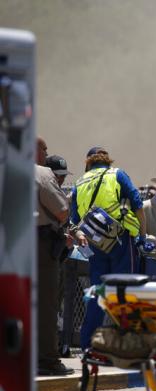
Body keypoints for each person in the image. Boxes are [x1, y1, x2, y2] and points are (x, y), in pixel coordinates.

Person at [70, 146, 147, 349]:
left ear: (89, 162)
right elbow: (138, 204)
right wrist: (142, 236)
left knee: (98, 292)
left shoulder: (79, 183)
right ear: (107, 160)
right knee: (125, 291)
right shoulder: (116, 174)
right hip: (121, 240)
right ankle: (126, 345)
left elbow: (75, 220)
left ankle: (88, 343)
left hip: (96, 243)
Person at [35, 138, 73, 375]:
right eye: (44, 149)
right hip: (39, 245)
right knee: (46, 304)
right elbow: (62, 210)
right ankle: (48, 360)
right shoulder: (41, 173)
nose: (46, 154)